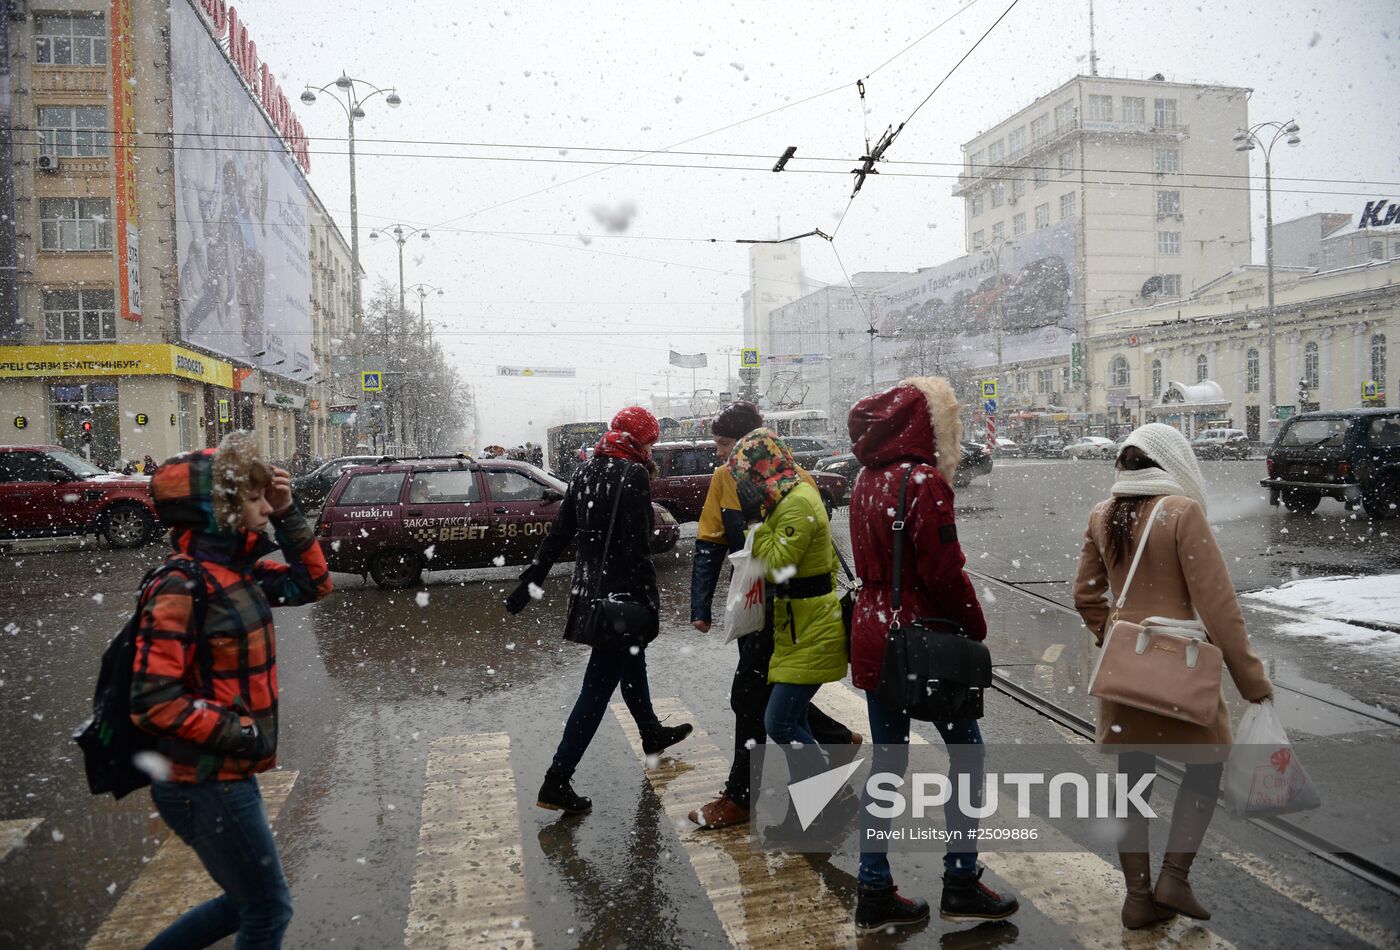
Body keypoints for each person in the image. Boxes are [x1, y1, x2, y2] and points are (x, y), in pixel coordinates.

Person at [131, 430, 333, 949]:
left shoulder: (237, 572)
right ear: (216, 509)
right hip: (203, 782)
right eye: (254, 498)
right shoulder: (182, 584)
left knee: (247, 904)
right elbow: (153, 699)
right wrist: (237, 730)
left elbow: (313, 583)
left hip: (223, 777)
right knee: (266, 909)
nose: (265, 507)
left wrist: (288, 513)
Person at [1073, 422, 1273, 928]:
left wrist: (1113, 638)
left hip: (1127, 676)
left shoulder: (1102, 513)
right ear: (1174, 462)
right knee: (1207, 765)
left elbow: (1085, 594)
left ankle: (1137, 898)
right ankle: (1174, 878)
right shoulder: (1181, 512)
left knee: (1132, 782)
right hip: (1182, 671)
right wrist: (1251, 681)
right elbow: (1219, 606)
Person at [847, 377, 1019, 934]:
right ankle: (961, 881)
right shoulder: (922, 481)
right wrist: (973, 623)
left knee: (888, 763)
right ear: (928, 425)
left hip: (875, 630)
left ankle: (873, 889)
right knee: (967, 757)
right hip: (923, 641)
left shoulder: (867, 478)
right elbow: (942, 569)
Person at [506, 407, 692, 813]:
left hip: (591, 591)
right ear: (638, 439)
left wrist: (532, 577)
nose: (653, 446)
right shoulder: (634, 475)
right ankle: (556, 779)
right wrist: (649, 599)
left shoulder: (588, 469)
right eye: (651, 440)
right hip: (621, 597)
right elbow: (636, 547)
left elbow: (560, 532)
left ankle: (651, 733)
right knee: (597, 688)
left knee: (631, 663)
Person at [687, 402, 859, 830]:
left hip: (788, 612)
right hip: (760, 606)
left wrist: (752, 521)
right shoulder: (738, 477)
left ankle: (745, 797)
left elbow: (782, 561)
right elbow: (709, 544)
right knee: (771, 698)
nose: (723, 459)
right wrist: (700, 605)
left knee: (754, 700)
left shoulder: (789, 486)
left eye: (728, 447)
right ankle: (834, 751)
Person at [726, 429, 848, 813]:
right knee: (792, 718)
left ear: (763, 469)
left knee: (778, 721)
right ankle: (821, 800)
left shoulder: (796, 503)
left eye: (746, 478)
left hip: (808, 627)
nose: (745, 487)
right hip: (796, 625)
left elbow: (777, 566)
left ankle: (824, 797)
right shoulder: (785, 499)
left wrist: (752, 525)